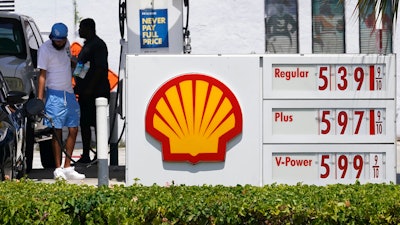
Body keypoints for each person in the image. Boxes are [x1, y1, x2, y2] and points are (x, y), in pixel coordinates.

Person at [37, 23, 85, 180]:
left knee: (73, 128)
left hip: (69, 93)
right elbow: (42, 75)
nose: (59, 43)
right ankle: (57, 169)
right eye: (56, 41)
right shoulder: (44, 49)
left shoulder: (67, 44)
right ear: (52, 38)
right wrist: (39, 99)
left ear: (65, 38)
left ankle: (68, 166)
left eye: (61, 40)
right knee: (56, 131)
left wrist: (79, 65)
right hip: (54, 94)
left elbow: (67, 60)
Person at [74, 18, 110, 163]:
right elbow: (82, 66)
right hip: (84, 92)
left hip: (96, 92)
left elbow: (100, 69)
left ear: (89, 28)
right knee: (85, 124)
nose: (79, 31)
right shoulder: (87, 45)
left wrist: (89, 88)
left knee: (97, 123)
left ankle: (100, 156)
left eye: (82, 28)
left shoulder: (98, 45)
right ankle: (86, 154)